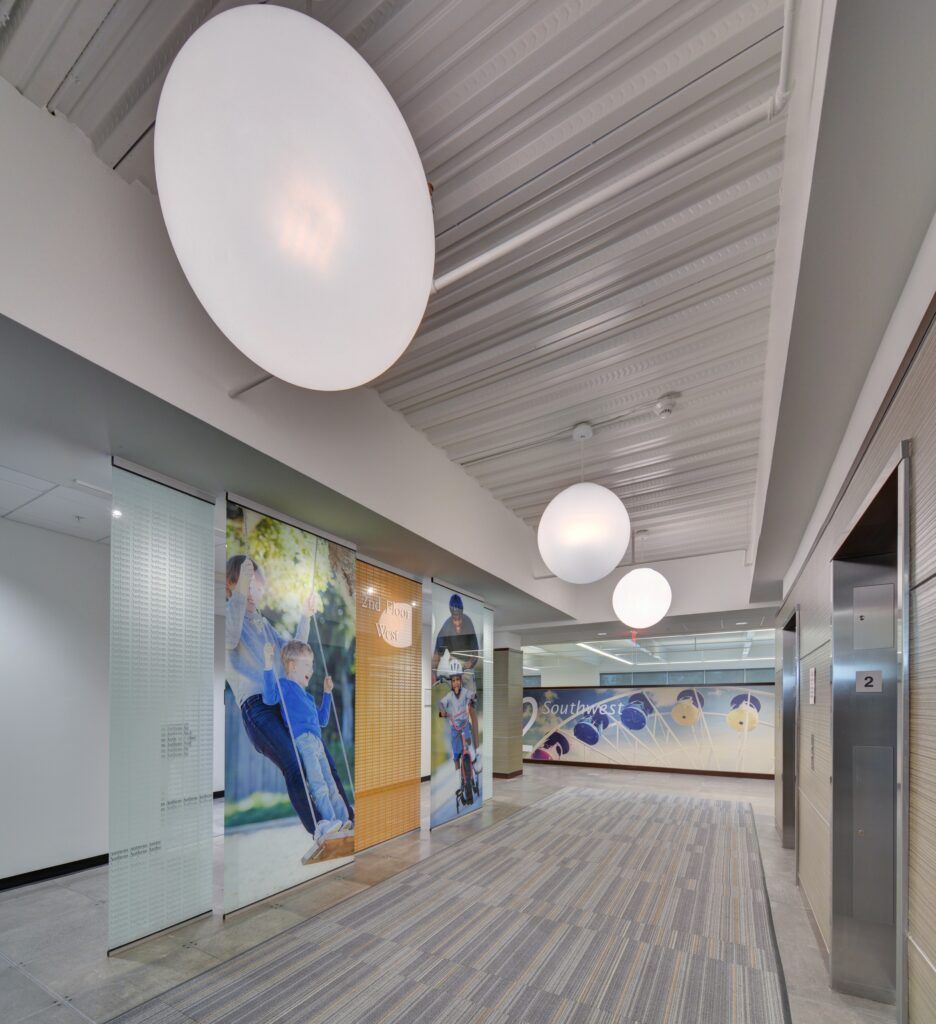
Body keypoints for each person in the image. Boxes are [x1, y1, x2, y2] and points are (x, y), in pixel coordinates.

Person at [224, 555, 353, 864]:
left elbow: (293, 653)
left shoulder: (264, 624)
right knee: (294, 765)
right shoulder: (230, 617)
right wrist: (242, 588)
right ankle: (320, 827)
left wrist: (306, 615)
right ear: (232, 585)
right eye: (248, 584)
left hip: (280, 704)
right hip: (257, 709)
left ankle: (347, 819)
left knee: (325, 763)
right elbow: (229, 636)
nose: (255, 591)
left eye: (258, 585)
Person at [262, 640, 350, 843]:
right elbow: (268, 698)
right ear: (292, 666)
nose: (312, 669)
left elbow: (322, 720)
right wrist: (268, 662)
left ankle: (344, 820)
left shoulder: (309, 697)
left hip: (318, 743)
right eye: (308, 664)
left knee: (331, 785)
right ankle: (329, 821)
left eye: (312, 664)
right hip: (304, 742)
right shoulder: (284, 686)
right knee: (318, 784)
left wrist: (327, 693)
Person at [432, 594, 481, 767]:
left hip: (467, 666)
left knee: (471, 709)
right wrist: (434, 673)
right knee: (454, 707)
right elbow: (437, 654)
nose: (458, 622)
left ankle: (477, 749)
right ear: (451, 615)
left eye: (459, 617)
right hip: (454, 667)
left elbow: (476, 653)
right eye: (455, 618)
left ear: (462, 614)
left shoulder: (469, 623)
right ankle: (456, 751)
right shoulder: (446, 627)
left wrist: (470, 663)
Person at [437, 664, 479, 792]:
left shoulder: (465, 692)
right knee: (456, 753)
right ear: (451, 682)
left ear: (461, 681)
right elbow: (441, 703)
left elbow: (472, 695)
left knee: (468, 741)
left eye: (458, 680)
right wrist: (442, 711)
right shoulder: (449, 696)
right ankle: (458, 780)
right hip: (455, 727)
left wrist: (473, 698)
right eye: (453, 680)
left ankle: (474, 759)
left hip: (465, 723)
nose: (456, 683)